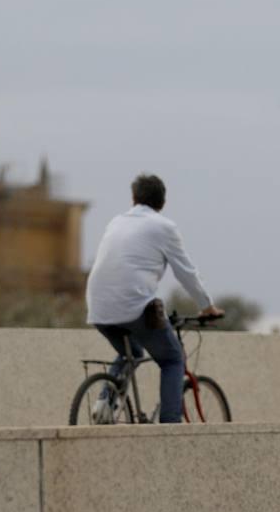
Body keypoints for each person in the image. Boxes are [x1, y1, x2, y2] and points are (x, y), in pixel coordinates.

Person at [85, 174, 223, 423]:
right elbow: (186, 272)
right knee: (172, 359)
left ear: (133, 198)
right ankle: (169, 428)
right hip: (134, 305)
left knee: (132, 352)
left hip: (97, 307)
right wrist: (207, 306)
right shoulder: (164, 227)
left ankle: (104, 401)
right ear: (163, 202)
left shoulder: (116, 222)